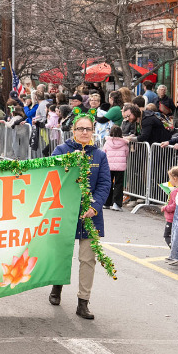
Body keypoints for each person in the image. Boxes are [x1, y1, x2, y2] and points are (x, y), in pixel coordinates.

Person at [49, 114, 110, 319]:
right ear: (73, 131)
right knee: (62, 254)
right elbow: (53, 179)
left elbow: (104, 184)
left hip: (91, 215)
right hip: (65, 213)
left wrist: (95, 206)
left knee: (88, 259)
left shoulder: (99, 156)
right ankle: (57, 286)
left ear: (93, 132)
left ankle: (83, 302)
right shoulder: (61, 151)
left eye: (88, 129)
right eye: (80, 129)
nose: (85, 132)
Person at [102, 126, 129, 211]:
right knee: (118, 184)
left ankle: (106, 202)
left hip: (108, 166)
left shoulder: (107, 142)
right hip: (120, 167)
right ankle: (116, 204)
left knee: (108, 183)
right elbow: (126, 153)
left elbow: (103, 152)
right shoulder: (124, 143)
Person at [161, 165, 178, 255]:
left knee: (167, 235)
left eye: (170, 178)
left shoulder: (175, 191)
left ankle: (175, 252)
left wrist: (165, 208)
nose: (169, 181)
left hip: (172, 218)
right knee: (177, 237)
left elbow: (174, 205)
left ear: (175, 178)